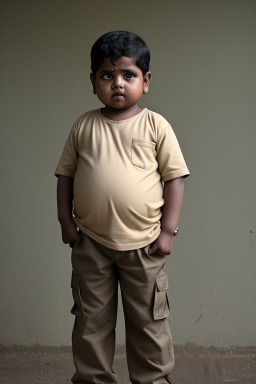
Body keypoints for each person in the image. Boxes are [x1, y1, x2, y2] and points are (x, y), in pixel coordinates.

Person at [55, 30, 190, 384]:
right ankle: (93, 378)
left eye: (128, 75)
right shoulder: (84, 126)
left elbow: (174, 178)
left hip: (145, 245)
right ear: (93, 81)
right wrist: (65, 223)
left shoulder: (155, 125)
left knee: (148, 323)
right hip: (91, 243)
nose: (117, 83)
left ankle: (153, 380)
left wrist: (168, 231)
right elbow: (65, 176)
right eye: (106, 75)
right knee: (91, 322)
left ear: (145, 81)